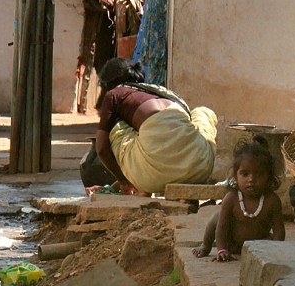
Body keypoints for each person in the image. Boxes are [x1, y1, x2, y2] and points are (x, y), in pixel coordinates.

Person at [93, 57, 217, 196]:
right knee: (202, 112)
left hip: (152, 178)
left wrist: (123, 181)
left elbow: (102, 149)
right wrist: (114, 186)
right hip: (199, 169)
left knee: (115, 126)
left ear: (107, 84)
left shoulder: (115, 94)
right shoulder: (164, 92)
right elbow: (171, 147)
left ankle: (138, 186)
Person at [193, 136, 285, 261]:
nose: (251, 179)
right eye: (245, 174)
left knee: (271, 239)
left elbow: (279, 229)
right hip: (231, 244)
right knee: (217, 218)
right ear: (236, 175)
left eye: (259, 174)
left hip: (259, 246)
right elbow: (222, 228)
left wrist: (276, 250)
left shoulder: (271, 201)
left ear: (269, 177)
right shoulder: (232, 198)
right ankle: (205, 245)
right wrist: (222, 249)